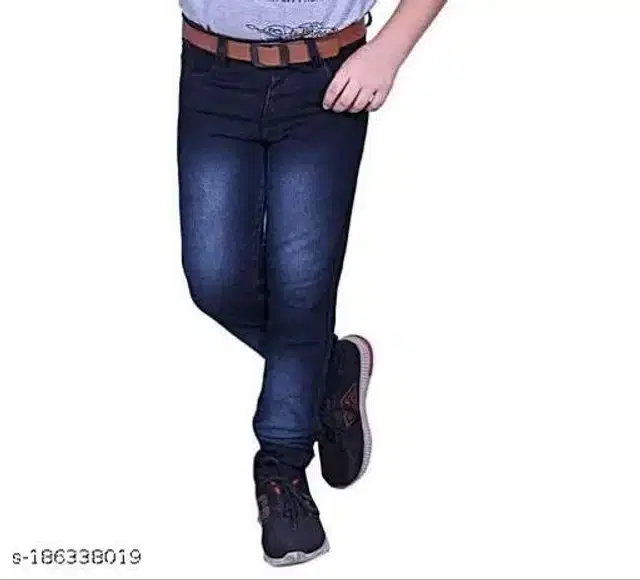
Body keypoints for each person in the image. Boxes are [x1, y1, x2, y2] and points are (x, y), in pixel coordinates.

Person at [177, 0, 447, 566]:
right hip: (213, 74)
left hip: (329, 79)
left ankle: (282, 469)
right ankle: (328, 374)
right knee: (214, 281)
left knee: (302, 287)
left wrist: (390, 49)